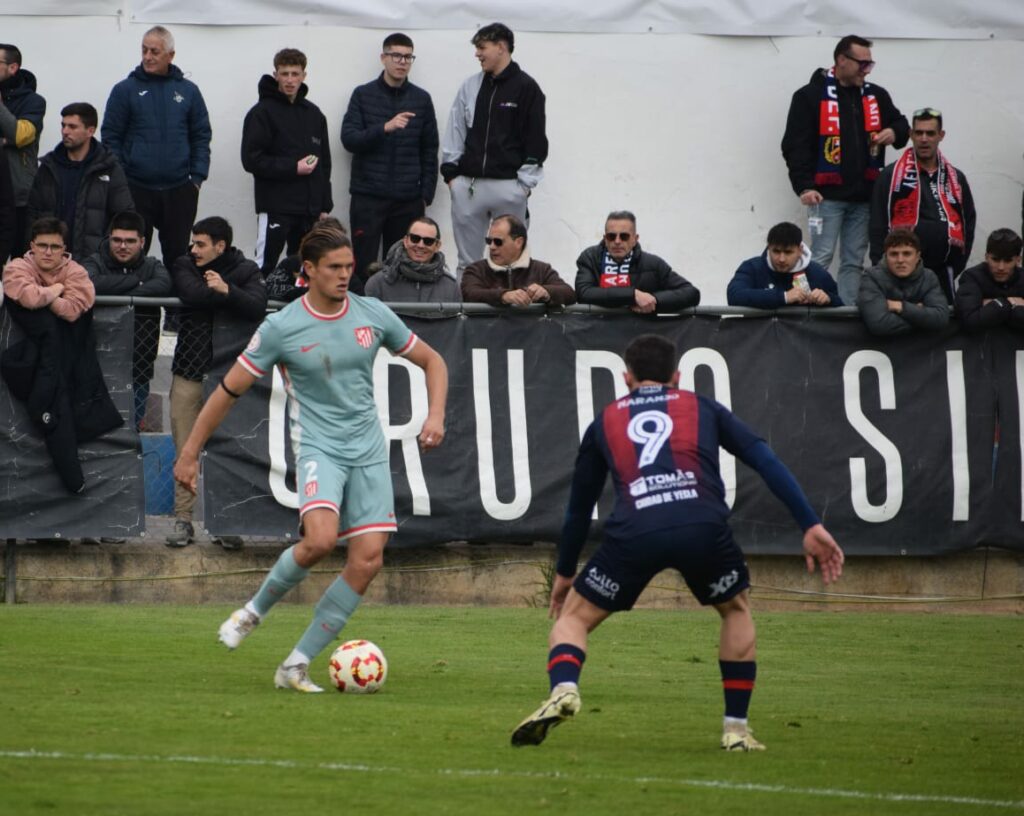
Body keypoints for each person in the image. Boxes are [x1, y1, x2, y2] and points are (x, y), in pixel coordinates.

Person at [509, 334, 844, 751]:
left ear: (626, 377)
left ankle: (563, 689)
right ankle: (736, 730)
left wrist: (563, 572)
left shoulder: (606, 420)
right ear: (678, 376)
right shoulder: (702, 407)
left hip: (636, 530)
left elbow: (579, 508)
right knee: (735, 610)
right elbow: (764, 458)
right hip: (702, 525)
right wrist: (809, 524)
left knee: (573, 619)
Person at [173, 225, 448, 693]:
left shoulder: (372, 314)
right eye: (335, 268)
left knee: (368, 560)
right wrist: (189, 452)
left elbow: (433, 361)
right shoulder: (282, 327)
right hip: (320, 447)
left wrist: (435, 414)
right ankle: (252, 612)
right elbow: (227, 391)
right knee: (319, 540)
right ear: (309, 271)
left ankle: (296, 664)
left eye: (349, 267)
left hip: (368, 450)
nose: (345, 276)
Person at [781, 35, 909, 307]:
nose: (867, 70)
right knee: (820, 257)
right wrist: (805, 186)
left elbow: (901, 125)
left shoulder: (876, 95)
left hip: (864, 196)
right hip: (825, 197)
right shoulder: (809, 96)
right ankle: (810, 311)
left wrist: (893, 131)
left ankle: (847, 313)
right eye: (863, 64)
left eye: (870, 64)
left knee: (854, 260)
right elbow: (795, 146)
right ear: (841, 60)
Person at [167, 217, 266, 548]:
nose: (193, 249)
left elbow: (257, 306)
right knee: (184, 448)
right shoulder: (184, 263)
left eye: (200, 244)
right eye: (193, 243)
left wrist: (228, 290)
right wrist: (226, 295)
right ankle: (183, 521)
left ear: (220, 246)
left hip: (229, 377)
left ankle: (225, 523)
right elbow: (191, 294)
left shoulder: (245, 269)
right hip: (188, 371)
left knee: (227, 448)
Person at [101, 26, 212, 274]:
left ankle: (176, 314)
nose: (148, 57)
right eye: (144, 50)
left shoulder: (188, 91)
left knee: (178, 257)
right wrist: (121, 178)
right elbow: (110, 136)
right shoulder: (125, 90)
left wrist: (196, 178)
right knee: (132, 256)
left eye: (155, 51)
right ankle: (140, 314)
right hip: (136, 187)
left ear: (170, 55)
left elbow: (201, 135)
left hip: (180, 188)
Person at [441, 23, 547, 275]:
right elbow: (455, 129)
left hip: (509, 187)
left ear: (501, 47)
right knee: (468, 263)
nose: (477, 54)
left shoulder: (527, 87)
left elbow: (536, 138)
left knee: (511, 261)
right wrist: (451, 176)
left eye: (481, 47)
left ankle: (510, 313)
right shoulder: (470, 86)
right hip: (468, 186)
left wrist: (523, 186)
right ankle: (464, 314)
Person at [342, 33, 438, 289]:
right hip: (368, 197)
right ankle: (361, 319)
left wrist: (425, 194)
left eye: (408, 57)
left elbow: (430, 149)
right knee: (362, 264)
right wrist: (384, 127)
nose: (402, 62)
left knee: (402, 265)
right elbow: (349, 139)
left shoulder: (422, 99)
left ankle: (397, 321)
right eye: (396, 55)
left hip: (407, 200)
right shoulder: (363, 95)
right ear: (383, 58)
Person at [241, 48, 332, 279]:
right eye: (285, 74)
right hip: (275, 208)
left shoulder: (314, 114)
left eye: (295, 73)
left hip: (309, 211)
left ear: (304, 75)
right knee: (265, 267)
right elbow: (251, 160)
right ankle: (258, 314)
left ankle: (301, 314)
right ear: (276, 75)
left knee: (305, 271)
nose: (290, 80)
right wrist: (293, 167)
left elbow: (324, 164)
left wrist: (324, 206)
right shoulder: (261, 113)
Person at [869, 108, 975, 305]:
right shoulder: (890, 176)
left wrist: (956, 264)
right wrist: (880, 268)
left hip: (943, 272)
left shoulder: (956, 178)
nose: (924, 139)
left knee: (941, 328)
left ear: (941, 136)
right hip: (898, 275)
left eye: (930, 133)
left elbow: (968, 222)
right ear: (911, 135)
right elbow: (877, 223)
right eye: (918, 133)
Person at [82, 210, 172, 429]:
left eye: (130, 241)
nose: (123, 246)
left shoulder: (153, 265)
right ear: (109, 238)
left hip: (138, 368)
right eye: (117, 240)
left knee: (132, 433)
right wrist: (135, 283)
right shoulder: (94, 261)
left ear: (142, 242)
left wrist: (117, 291)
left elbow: (164, 284)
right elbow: (89, 283)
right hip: (97, 365)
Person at [27, 102, 134, 260]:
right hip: (49, 259)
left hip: (93, 263)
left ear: (90, 131)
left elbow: (124, 216)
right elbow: (32, 215)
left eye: (72, 127)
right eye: (63, 126)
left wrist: (105, 255)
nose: (65, 131)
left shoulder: (109, 168)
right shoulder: (48, 167)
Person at [575, 211, 700, 312]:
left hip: (639, 333)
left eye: (624, 236)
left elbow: (691, 293)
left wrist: (655, 300)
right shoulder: (590, 257)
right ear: (605, 239)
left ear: (635, 239)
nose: (617, 241)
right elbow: (583, 293)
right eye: (611, 236)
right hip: (597, 333)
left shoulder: (653, 264)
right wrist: (632, 295)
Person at [461, 214, 574, 307]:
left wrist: (546, 291)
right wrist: (503, 296)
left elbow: (569, 293)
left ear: (518, 242)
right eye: (489, 241)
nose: (492, 246)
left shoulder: (541, 270)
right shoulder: (476, 270)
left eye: (498, 242)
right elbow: (469, 293)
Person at [0, 43, 46, 261]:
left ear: (13, 67)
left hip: (19, 197)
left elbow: (19, 135)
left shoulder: (34, 102)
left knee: (20, 264)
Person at [727, 221, 841, 308]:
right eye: (776, 251)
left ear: (800, 250)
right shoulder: (752, 267)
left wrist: (828, 299)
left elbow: (842, 307)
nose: (781, 259)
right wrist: (784, 297)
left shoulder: (816, 272)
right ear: (769, 247)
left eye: (788, 252)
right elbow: (734, 296)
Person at [858, 229, 949, 336]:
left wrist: (901, 307)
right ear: (886, 256)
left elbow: (940, 318)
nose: (900, 260)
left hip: (922, 350)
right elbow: (879, 324)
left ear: (917, 256)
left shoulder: (929, 277)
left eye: (907, 254)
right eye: (894, 254)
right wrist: (920, 315)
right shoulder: (871, 277)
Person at [364, 216, 460, 306]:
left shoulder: (451, 288)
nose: (420, 245)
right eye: (415, 239)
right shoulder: (378, 283)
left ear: (437, 246)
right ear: (405, 241)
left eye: (428, 241)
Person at [954, 228, 1024, 333]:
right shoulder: (972, 277)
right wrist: (1009, 303)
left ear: (1018, 260)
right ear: (986, 257)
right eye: (995, 259)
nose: (1001, 267)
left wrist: (991, 307)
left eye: (1008, 261)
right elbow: (969, 321)